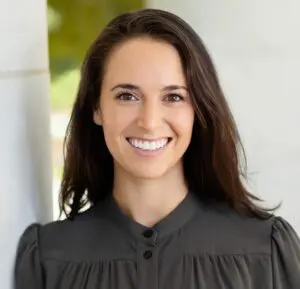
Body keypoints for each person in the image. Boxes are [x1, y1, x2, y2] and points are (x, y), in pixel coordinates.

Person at [15, 8, 300, 289]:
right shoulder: (48, 258)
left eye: (173, 97)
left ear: (198, 109)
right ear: (96, 107)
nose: (149, 122)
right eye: (127, 96)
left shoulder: (265, 252)